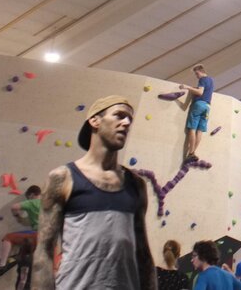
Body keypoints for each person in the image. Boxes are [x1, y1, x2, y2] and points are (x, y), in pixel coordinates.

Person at [33, 95, 155, 290]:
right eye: (119, 115)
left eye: (129, 119)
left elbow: (143, 254)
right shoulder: (63, 178)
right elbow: (44, 252)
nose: (126, 123)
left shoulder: (136, 184)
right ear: (95, 120)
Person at [0, 185, 42, 269]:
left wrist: (17, 216)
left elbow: (14, 207)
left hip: (37, 235)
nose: (28, 200)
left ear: (31, 195)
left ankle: (2, 264)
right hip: (48, 237)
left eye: (28, 198)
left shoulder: (32, 202)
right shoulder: (47, 202)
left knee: (8, 237)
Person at [181, 64, 214, 161]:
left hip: (199, 105)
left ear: (200, 71)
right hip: (207, 107)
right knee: (200, 130)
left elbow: (200, 92)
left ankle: (191, 153)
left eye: (196, 74)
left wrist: (187, 87)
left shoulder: (202, 80)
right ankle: (192, 153)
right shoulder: (211, 80)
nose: (196, 76)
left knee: (193, 128)